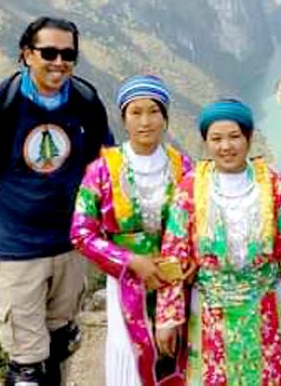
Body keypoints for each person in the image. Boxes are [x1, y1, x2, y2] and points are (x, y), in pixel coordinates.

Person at [0, 16, 113, 386]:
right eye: (48, 52)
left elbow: (105, 158)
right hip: (19, 250)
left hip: (70, 245)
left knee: (60, 344)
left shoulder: (84, 101)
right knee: (27, 367)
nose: (59, 61)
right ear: (27, 54)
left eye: (68, 53)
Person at [155, 99, 281, 385]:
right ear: (206, 143)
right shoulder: (190, 188)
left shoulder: (275, 185)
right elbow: (173, 254)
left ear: (249, 138)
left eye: (234, 136)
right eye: (216, 139)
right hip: (209, 311)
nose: (226, 146)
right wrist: (168, 316)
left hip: (264, 310)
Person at [71, 75, 194, 386]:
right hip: (126, 282)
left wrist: (192, 259)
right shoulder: (102, 169)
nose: (145, 121)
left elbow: (199, 223)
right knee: (131, 357)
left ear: (165, 118)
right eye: (135, 112)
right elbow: (81, 233)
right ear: (123, 118)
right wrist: (131, 261)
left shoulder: (184, 167)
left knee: (175, 354)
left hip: (174, 283)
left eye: (154, 111)